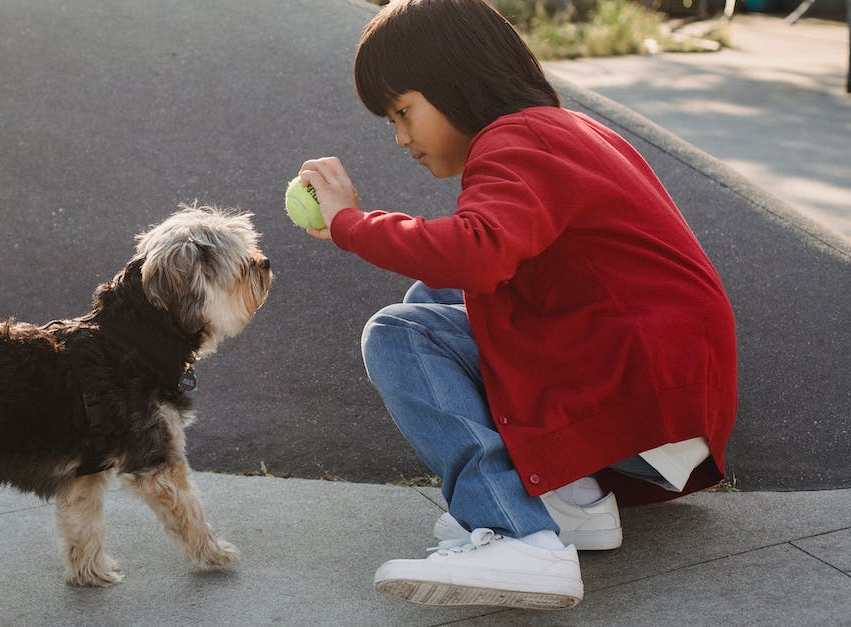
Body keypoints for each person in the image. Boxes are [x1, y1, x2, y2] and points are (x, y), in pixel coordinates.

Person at [296, 0, 738, 611]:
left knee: (401, 333)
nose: (401, 138)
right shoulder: (559, 130)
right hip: (659, 391)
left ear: (457, 80)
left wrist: (352, 223)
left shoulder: (518, 139)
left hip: (638, 386)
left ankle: (517, 533)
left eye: (403, 111)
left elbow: (474, 252)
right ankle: (570, 501)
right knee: (433, 298)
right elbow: (476, 271)